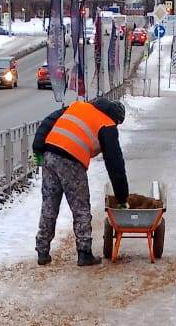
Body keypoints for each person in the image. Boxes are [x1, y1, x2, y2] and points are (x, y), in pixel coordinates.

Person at [31, 97, 129, 266]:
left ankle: (42, 251)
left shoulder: (79, 106)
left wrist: (38, 147)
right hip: (71, 160)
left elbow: (48, 121)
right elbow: (115, 164)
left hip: (49, 154)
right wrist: (122, 197)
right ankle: (84, 253)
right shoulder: (107, 124)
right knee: (80, 208)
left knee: (49, 204)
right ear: (116, 118)